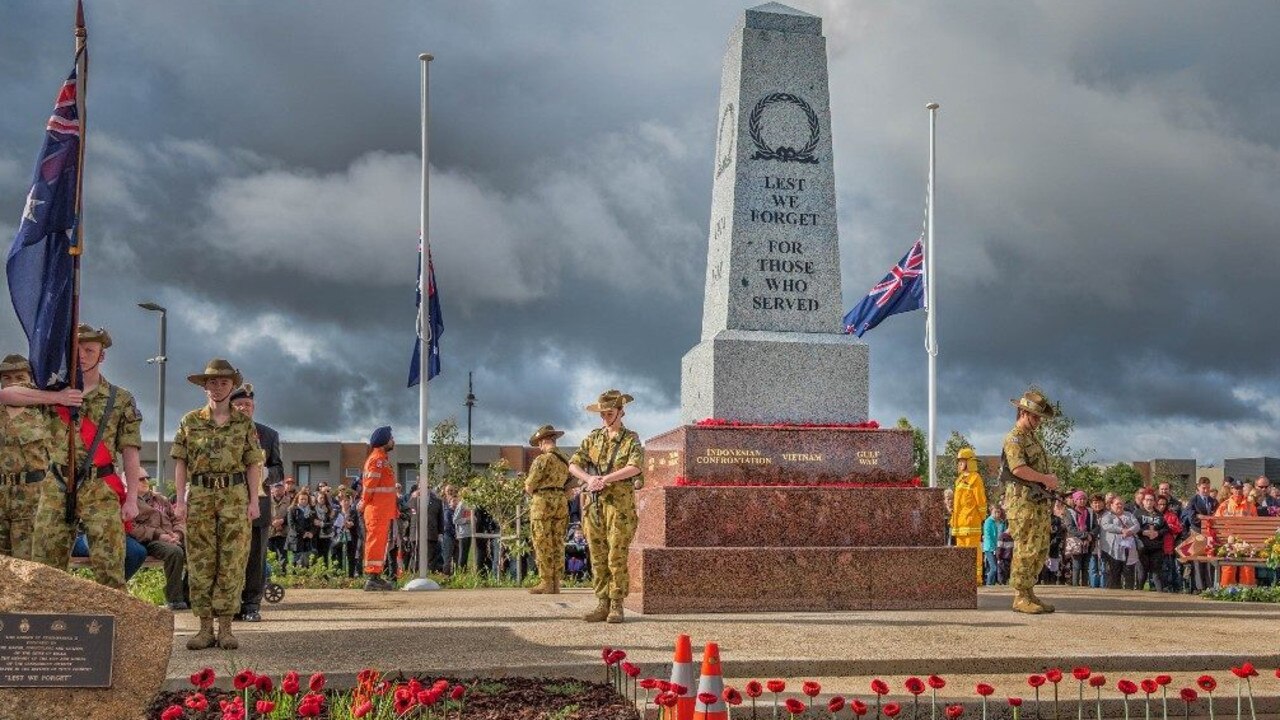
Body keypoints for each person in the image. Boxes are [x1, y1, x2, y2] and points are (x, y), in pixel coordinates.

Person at [32, 324, 143, 590]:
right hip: (57, 483)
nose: (82, 355)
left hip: (100, 486)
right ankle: (46, 627)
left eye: (90, 350)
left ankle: (112, 627)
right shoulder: (52, 393)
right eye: (76, 349)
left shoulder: (120, 399)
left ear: (101, 356)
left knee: (110, 567)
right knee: (45, 567)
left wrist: (132, 499)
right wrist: (55, 396)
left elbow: (130, 452)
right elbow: (6, 395)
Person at [171, 358, 264, 651]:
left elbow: (252, 465)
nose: (218, 387)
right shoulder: (190, 421)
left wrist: (254, 501)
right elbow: (181, 463)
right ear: (205, 386)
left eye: (224, 382)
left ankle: (225, 628)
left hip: (234, 496)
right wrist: (179, 500)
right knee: (200, 561)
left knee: (233, 560)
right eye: (213, 382)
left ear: (232, 386)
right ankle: (203, 629)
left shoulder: (244, 423)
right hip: (199, 495)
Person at [569, 389, 644, 624]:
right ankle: (602, 602)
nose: (604, 418)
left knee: (616, 555)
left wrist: (606, 479)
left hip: (619, 508)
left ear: (621, 412)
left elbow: (635, 467)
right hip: (595, 506)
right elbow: (573, 464)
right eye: (601, 414)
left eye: (609, 413)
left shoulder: (631, 439)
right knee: (598, 555)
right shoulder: (593, 438)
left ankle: (617, 604)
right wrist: (589, 479)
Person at [0, 354, 75, 561]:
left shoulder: (44, 408)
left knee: (28, 564)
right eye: (7, 378)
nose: (14, 382)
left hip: (33, 496)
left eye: (20, 376)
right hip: (1, 495)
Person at [1000, 389, 1060, 614]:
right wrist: (1046, 479)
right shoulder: (1014, 438)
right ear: (1022, 412)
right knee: (1026, 548)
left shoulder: (1031, 438)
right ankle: (1020, 596)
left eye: (1040, 418)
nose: (1038, 421)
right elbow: (1018, 468)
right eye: (1035, 417)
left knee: (1039, 549)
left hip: (1037, 503)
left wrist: (1048, 482)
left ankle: (1029, 591)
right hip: (1023, 504)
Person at [229, 383, 283, 623]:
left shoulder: (268, 435)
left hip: (258, 503)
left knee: (255, 557)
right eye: (238, 404)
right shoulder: (223, 432)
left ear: (254, 407)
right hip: (227, 502)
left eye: (247, 405)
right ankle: (228, 603)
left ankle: (251, 604)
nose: (243, 408)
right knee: (228, 555)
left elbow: (278, 468)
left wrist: (264, 475)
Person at [524, 424, 575, 594]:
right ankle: (556, 583)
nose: (539, 447)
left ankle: (546, 582)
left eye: (539, 443)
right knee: (558, 542)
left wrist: (534, 493)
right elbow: (571, 485)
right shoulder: (566, 460)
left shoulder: (542, 460)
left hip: (542, 503)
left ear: (543, 441)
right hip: (560, 502)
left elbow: (529, 486)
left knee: (542, 542)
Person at [129, 473, 188, 610]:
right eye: (141, 478)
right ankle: (175, 599)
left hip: (172, 537)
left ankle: (188, 595)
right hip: (149, 541)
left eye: (147, 478)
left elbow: (177, 519)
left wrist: (178, 534)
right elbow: (132, 528)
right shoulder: (129, 502)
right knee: (174, 552)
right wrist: (159, 535)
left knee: (196, 550)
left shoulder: (161, 499)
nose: (145, 481)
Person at [360, 426, 399, 590]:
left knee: (379, 543)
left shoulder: (382, 459)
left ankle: (375, 575)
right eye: (391, 438)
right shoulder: (377, 460)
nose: (393, 440)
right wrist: (363, 502)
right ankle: (372, 577)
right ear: (384, 441)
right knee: (375, 542)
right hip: (376, 510)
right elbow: (369, 486)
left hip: (381, 510)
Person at [950, 448, 987, 585]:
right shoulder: (959, 480)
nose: (959, 464)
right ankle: (963, 575)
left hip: (971, 522)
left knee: (973, 550)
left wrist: (981, 516)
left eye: (962, 461)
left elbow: (981, 500)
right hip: (959, 523)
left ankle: (976, 577)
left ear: (969, 462)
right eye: (958, 461)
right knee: (961, 551)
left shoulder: (975, 478)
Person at [1214, 480, 1257, 587]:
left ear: (1242, 489)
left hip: (1246, 541)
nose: (1238, 490)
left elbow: (1256, 524)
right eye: (1235, 488)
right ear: (1231, 489)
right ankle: (1227, 590)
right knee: (1228, 564)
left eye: (1240, 488)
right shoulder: (1225, 505)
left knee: (1247, 565)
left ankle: (1247, 590)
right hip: (1229, 540)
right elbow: (1216, 523)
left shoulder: (1250, 505)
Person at [1182, 476, 1219, 591]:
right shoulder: (1193, 501)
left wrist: (1205, 517)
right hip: (1197, 533)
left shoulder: (1214, 501)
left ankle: (1210, 586)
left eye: (1208, 488)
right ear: (1198, 488)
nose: (1206, 490)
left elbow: (1217, 517)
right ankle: (1199, 587)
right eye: (1203, 488)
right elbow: (1192, 519)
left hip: (1210, 535)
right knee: (1198, 561)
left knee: (1209, 560)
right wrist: (1204, 519)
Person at [1099, 496, 1140, 590]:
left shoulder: (1129, 514)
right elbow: (1106, 526)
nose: (1120, 505)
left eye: (1121, 503)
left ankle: (1129, 592)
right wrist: (1121, 530)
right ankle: (1115, 593)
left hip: (1128, 549)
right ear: (1111, 505)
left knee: (1129, 570)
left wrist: (1129, 531)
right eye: (1117, 503)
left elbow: (1137, 525)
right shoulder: (1107, 515)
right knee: (1115, 572)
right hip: (1112, 550)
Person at [1134, 492, 1167, 591]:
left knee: (1157, 573)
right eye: (1147, 500)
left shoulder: (1159, 514)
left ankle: (1161, 596)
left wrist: (1158, 533)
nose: (1149, 502)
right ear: (1143, 501)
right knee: (1142, 573)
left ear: (1154, 502)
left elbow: (1165, 529)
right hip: (1142, 547)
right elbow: (1132, 527)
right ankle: (1138, 595)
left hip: (1156, 547)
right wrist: (1142, 532)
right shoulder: (1137, 513)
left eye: (1151, 500)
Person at [1064, 491, 1098, 587]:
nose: (1082, 501)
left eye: (1084, 499)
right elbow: (1070, 527)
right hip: (1075, 541)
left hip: (1089, 541)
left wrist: (1090, 535)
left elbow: (1096, 526)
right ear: (1075, 501)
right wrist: (1084, 535)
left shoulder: (1090, 512)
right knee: (1076, 565)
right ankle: (1075, 586)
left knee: (1086, 565)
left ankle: (1084, 585)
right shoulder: (1069, 511)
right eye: (1079, 499)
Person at [1156, 495, 1183, 593]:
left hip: (1168, 546)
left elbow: (1179, 528)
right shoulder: (1153, 515)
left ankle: (1173, 586)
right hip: (1156, 546)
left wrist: (1170, 527)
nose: (1162, 506)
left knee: (1171, 568)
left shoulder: (1171, 515)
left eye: (1164, 504)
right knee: (1158, 569)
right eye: (1160, 504)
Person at [289, 489, 317, 568]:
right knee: (296, 559)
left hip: (308, 538)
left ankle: (305, 577)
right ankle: (295, 577)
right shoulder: (292, 509)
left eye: (305, 499)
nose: (303, 501)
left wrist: (312, 532)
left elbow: (315, 524)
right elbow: (292, 524)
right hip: (296, 538)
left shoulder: (312, 510)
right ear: (297, 499)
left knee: (307, 560)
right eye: (301, 499)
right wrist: (303, 533)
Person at [981, 505, 1006, 586]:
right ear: (991, 512)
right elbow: (988, 536)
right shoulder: (988, 522)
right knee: (994, 568)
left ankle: (992, 584)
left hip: (999, 547)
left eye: (999, 512)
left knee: (996, 568)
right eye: (995, 512)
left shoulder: (1002, 522)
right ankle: (988, 584)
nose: (997, 514)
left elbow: (1004, 534)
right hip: (990, 548)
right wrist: (994, 548)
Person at [265, 481, 289, 566]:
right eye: (276, 487)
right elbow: (263, 513)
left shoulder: (289, 501)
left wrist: (282, 521)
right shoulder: (266, 500)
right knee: (270, 554)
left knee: (283, 554)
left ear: (284, 489)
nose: (278, 489)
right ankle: (272, 573)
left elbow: (291, 514)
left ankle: (282, 573)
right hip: (270, 531)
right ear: (272, 489)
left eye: (280, 487)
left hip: (284, 531)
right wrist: (273, 523)